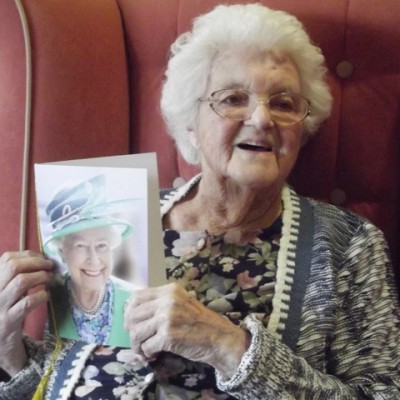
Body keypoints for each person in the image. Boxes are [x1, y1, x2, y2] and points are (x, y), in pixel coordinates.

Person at [1, 3, 399, 399]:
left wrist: (229, 347)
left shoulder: (348, 245)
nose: (262, 119)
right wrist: (8, 348)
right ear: (190, 124)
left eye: (283, 103)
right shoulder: (113, 214)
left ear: (303, 129)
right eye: (233, 99)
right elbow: (64, 373)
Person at [43, 174, 136, 347]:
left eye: (102, 245)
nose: (94, 260)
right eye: (80, 245)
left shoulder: (137, 300)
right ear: (62, 252)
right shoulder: (45, 301)